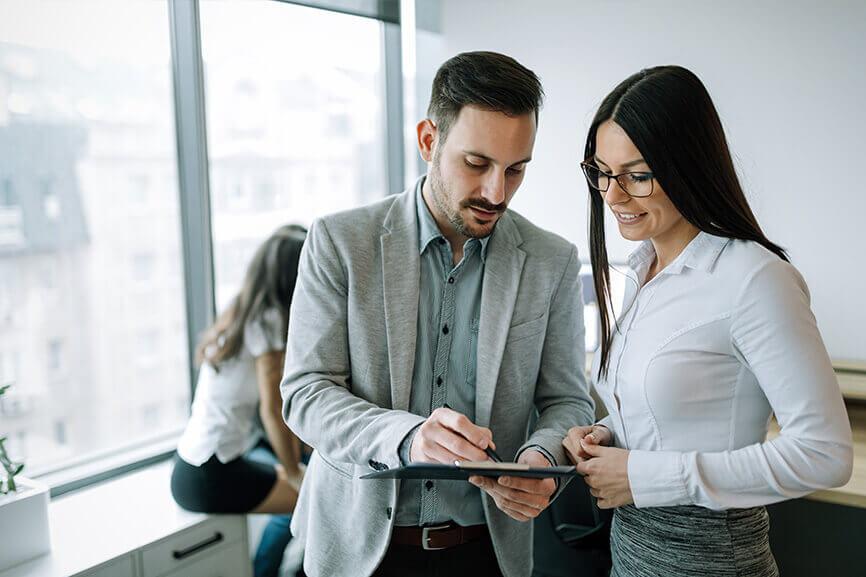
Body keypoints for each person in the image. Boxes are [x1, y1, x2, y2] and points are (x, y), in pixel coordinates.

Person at [281, 51, 594, 577]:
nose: (497, 192)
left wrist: (540, 461)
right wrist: (406, 438)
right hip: (358, 554)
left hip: (488, 553)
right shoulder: (339, 242)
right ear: (429, 140)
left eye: (516, 169)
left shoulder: (552, 260)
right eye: (477, 164)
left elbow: (568, 399)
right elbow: (305, 393)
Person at [562, 65, 853, 577]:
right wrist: (608, 436)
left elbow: (824, 454)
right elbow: (675, 414)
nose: (612, 195)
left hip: (712, 560)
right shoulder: (642, 269)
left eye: (637, 175)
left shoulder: (755, 280)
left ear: (688, 167)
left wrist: (646, 474)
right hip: (631, 554)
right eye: (601, 172)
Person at [171, 224, 308, 577]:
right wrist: (293, 471)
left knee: (307, 487)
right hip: (213, 474)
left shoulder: (241, 310)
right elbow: (273, 409)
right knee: (317, 498)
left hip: (193, 465)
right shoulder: (270, 320)